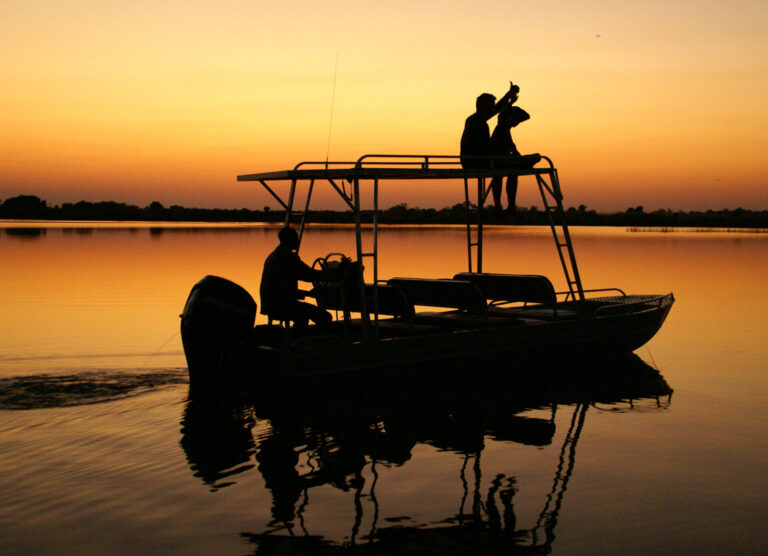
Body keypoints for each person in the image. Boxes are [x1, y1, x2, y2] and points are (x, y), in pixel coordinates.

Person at [259, 226, 332, 329]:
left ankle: (297, 338)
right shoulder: (287, 257)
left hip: (272, 304)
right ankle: (316, 342)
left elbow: (283, 288)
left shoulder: (276, 254)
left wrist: (308, 294)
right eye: (296, 238)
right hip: (281, 305)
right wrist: (334, 274)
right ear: (289, 240)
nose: (298, 241)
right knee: (325, 316)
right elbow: (309, 275)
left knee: (302, 316)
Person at [460, 82, 519, 170]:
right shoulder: (480, 124)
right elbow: (486, 148)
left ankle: (497, 181)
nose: (492, 108)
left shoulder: (472, 119)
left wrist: (509, 96)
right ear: (482, 106)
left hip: (470, 162)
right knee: (512, 166)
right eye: (490, 105)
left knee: (507, 160)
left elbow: (496, 109)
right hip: (477, 162)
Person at [489, 105, 531, 215]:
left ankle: (509, 206)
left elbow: (514, 149)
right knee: (505, 174)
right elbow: (507, 149)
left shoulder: (505, 129)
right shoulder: (502, 127)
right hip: (497, 162)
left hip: (503, 162)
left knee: (512, 173)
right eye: (516, 119)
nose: (517, 123)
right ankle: (503, 205)